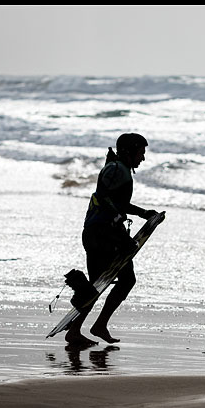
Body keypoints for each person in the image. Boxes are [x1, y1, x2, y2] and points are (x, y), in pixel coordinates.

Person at [65, 133, 159, 347]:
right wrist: (118, 228)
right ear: (129, 151)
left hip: (98, 233)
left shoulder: (118, 168)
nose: (142, 158)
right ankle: (96, 326)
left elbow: (117, 202)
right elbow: (103, 197)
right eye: (140, 153)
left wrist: (143, 213)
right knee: (121, 281)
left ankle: (78, 330)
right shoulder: (116, 170)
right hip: (102, 235)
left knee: (97, 286)